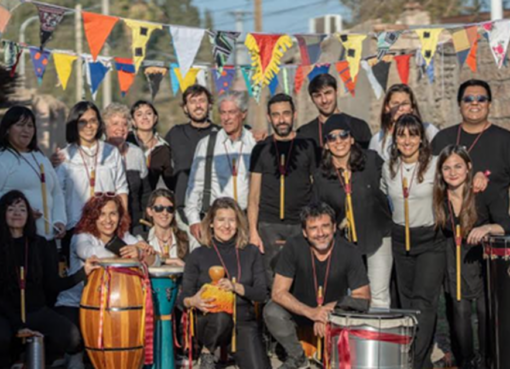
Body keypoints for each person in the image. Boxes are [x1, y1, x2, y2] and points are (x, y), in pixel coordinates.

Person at [263, 202, 370, 369]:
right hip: (300, 311)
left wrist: (327, 310)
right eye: (313, 228)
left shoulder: (349, 251)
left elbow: (363, 298)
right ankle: (297, 357)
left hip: (334, 316)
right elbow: (278, 292)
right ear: (305, 232)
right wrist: (312, 313)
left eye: (325, 226)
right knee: (272, 311)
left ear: (334, 227)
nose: (320, 233)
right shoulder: (293, 246)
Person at [0, 190, 98, 369]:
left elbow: (53, 284)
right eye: (11, 209)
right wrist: (17, 325)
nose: (16, 213)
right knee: (3, 339)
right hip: (6, 313)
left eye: (22, 209)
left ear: (29, 215)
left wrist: (83, 273)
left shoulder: (40, 244)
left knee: (72, 336)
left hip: (36, 310)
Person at [433, 145, 510, 369]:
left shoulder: (483, 192)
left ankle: (487, 358)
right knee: (460, 311)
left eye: (458, 166)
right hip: (453, 257)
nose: (452, 172)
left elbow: (506, 225)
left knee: (486, 311)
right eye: (446, 168)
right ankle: (466, 360)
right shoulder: (439, 195)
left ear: (468, 168)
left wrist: (487, 228)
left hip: (482, 259)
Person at [381, 114, 446, 369]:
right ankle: (417, 357)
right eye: (401, 134)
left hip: (430, 239)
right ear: (395, 138)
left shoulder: (435, 164)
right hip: (401, 239)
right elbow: (384, 195)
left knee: (424, 302)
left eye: (413, 134)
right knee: (407, 303)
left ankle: (417, 361)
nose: (407, 140)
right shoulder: (389, 167)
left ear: (421, 138)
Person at [178, 197, 270, 369]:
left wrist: (236, 287)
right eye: (221, 219)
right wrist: (193, 301)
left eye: (231, 220)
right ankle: (207, 352)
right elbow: (182, 298)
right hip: (209, 321)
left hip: (242, 321)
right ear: (211, 223)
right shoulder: (198, 254)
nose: (226, 226)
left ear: (238, 223)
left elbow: (261, 293)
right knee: (221, 318)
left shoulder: (251, 252)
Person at [312, 115, 393, 308]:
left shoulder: (371, 161)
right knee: (353, 297)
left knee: (379, 296)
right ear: (325, 144)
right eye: (332, 137)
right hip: (344, 242)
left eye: (343, 135)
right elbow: (318, 210)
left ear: (352, 138)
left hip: (377, 234)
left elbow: (394, 182)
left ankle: (376, 337)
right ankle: (355, 337)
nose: (338, 141)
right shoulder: (321, 175)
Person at [55, 194, 157, 329]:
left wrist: (140, 253)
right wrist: (131, 254)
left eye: (113, 214)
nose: (108, 220)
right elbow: (95, 254)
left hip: (112, 305)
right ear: (92, 217)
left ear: (120, 216)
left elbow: (155, 259)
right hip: (76, 303)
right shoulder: (81, 236)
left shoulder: (124, 236)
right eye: (102, 214)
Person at [248, 93, 317, 286]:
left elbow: (316, 186)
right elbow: (253, 195)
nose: (281, 119)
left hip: (300, 223)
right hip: (269, 224)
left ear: (294, 115)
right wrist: (253, 231)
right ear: (269, 118)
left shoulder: (308, 145)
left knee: (304, 279)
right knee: (272, 281)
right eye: (276, 115)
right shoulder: (260, 149)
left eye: (286, 114)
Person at [55, 101, 129, 263]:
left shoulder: (111, 152)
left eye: (93, 121)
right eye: (83, 121)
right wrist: (59, 221)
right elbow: (58, 193)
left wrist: (123, 223)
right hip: (76, 226)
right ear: (74, 124)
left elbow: (121, 188)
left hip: (107, 226)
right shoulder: (64, 156)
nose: (89, 126)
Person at [185, 91, 256, 244]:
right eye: (223, 113)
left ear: (243, 114)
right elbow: (194, 185)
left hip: (246, 220)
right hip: (215, 221)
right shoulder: (208, 143)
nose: (226, 118)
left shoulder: (254, 143)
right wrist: (193, 219)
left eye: (231, 112)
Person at [432, 79, 510, 201]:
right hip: (450, 217)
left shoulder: (505, 140)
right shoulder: (443, 138)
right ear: (459, 104)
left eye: (481, 99)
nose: (474, 103)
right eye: (468, 99)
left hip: (493, 218)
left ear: (489, 104)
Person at [0, 106, 66, 243]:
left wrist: (59, 220)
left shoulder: (40, 157)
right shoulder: (3, 159)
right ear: (7, 129)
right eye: (20, 125)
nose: (26, 130)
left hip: (47, 240)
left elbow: (56, 193)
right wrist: (22, 211)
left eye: (30, 126)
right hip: (16, 240)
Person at [165, 85, 219, 226]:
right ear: (185, 107)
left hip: (216, 210)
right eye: (192, 101)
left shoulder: (220, 135)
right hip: (182, 209)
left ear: (210, 105)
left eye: (202, 100)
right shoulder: (175, 133)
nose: (198, 105)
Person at [103, 103, 151, 235]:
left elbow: (145, 192)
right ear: (105, 128)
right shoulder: (99, 154)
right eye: (115, 124)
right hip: (105, 225)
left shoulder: (136, 153)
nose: (120, 128)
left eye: (124, 124)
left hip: (135, 224)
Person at [297, 73, 371, 151]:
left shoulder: (359, 127)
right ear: (312, 99)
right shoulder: (304, 134)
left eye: (328, 93)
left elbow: (369, 160)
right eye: (318, 96)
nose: (324, 100)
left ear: (336, 92)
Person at [370, 84, 438, 162]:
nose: (400, 108)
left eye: (405, 104)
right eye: (395, 104)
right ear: (387, 107)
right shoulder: (378, 139)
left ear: (412, 107)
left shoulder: (428, 130)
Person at [127, 100, 173, 190]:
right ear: (133, 121)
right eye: (139, 114)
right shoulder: (126, 141)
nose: (144, 117)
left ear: (155, 118)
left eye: (148, 113)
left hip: (148, 200)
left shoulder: (163, 148)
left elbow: (171, 182)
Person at [144, 188, 189, 266]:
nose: (165, 213)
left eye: (169, 209)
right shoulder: (143, 239)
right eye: (159, 208)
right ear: (150, 211)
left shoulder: (186, 238)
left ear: (174, 212)